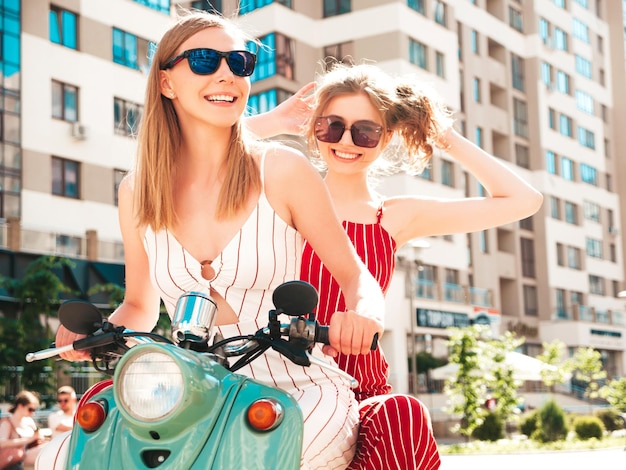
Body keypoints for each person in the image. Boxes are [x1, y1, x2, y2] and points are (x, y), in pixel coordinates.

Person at [54, 11, 386, 469]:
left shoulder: (282, 171)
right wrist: (92, 333)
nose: (227, 73)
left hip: (294, 387)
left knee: (259, 459)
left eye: (241, 62)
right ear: (166, 82)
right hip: (183, 396)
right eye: (206, 60)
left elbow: (356, 276)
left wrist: (363, 315)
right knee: (58, 458)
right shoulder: (136, 192)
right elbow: (140, 306)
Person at [249, 63, 544, 469]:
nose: (347, 141)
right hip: (282, 380)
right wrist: (274, 122)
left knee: (402, 416)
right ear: (313, 130)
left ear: (386, 137)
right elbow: (187, 155)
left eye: (366, 130)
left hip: (362, 388)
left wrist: (444, 137)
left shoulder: (394, 216)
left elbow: (523, 201)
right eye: (332, 127)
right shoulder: (278, 197)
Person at [0, 391, 48, 469]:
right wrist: (29, 439)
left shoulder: (29, 421)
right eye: (30, 409)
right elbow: (2, 443)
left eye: (34, 410)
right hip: (14, 460)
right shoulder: (7, 422)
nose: (32, 412)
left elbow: (37, 438)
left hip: (29, 456)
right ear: (20, 406)